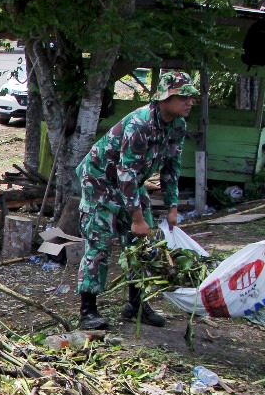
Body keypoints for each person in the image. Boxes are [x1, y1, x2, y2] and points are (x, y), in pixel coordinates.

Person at [75, 71, 198, 330]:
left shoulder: (178, 125)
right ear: (165, 98)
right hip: (100, 181)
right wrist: (137, 218)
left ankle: (136, 304)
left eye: (191, 97)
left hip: (132, 183)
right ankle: (88, 312)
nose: (190, 102)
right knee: (99, 243)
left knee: (143, 245)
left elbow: (172, 167)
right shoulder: (140, 123)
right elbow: (125, 171)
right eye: (183, 96)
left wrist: (172, 206)